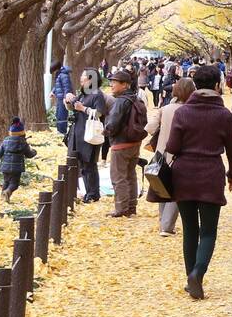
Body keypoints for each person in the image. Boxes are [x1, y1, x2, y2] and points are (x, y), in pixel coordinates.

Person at [164, 65, 232, 300]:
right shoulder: (223, 114)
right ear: (217, 85)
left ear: (195, 85)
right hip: (211, 174)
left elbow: (172, 147)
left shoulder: (183, 113)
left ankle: (191, 278)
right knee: (208, 231)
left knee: (190, 229)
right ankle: (198, 273)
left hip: (184, 175)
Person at [145, 77, 194, 236]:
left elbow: (150, 127)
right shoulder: (191, 110)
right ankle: (167, 226)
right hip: (182, 154)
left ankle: (163, 221)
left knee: (162, 185)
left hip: (162, 153)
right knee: (177, 189)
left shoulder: (165, 109)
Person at [103, 69, 148, 218]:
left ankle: (121, 208)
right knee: (130, 175)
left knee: (118, 177)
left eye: (114, 83)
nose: (111, 85)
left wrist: (106, 132)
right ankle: (131, 207)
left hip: (120, 143)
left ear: (125, 85)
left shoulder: (121, 101)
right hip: (134, 143)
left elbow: (113, 122)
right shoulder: (136, 99)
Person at [66, 69, 107, 202]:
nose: (81, 78)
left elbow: (100, 113)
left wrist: (83, 109)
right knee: (81, 164)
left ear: (91, 79)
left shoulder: (97, 94)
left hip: (90, 134)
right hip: (78, 133)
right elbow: (73, 107)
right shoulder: (84, 93)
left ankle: (93, 194)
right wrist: (68, 101)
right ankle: (86, 192)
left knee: (89, 164)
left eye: (83, 76)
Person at [0, 117, 37, 203]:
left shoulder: (5, 141)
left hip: (5, 167)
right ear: (22, 133)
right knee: (14, 184)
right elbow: (29, 154)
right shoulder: (23, 143)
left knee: (6, 181)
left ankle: (2, 197)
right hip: (16, 168)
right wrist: (34, 152)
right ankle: (7, 192)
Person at [50, 62, 73, 136]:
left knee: (62, 114)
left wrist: (65, 97)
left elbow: (67, 87)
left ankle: (62, 131)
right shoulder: (59, 74)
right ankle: (59, 130)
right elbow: (57, 84)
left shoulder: (63, 75)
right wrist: (53, 92)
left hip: (63, 98)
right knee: (58, 114)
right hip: (59, 97)